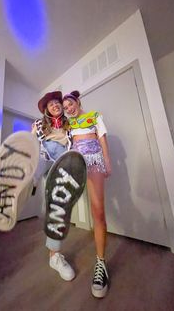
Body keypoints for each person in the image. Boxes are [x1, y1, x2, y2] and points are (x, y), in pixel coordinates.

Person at [62, 90, 112, 298]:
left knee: (98, 211)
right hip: (75, 165)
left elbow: (101, 137)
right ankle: (55, 255)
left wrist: (107, 161)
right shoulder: (67, 126)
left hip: (94, 162)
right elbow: (66, 146)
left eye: (70, 104)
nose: (68, 109)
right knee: (62, 207)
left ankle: (101, 264)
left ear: (78, 102)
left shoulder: (94, 116)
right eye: (64, 108)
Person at [32, 91, 85, 282]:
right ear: (46, 109)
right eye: (51, 103)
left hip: (66, 169)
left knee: (59, 211)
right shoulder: (39, 126)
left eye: (57, 102)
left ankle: (54, 257)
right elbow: (33, 148)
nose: (55, 105)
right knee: (58, 210)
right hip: (47, 165)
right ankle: (28, 180)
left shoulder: (69, 124)